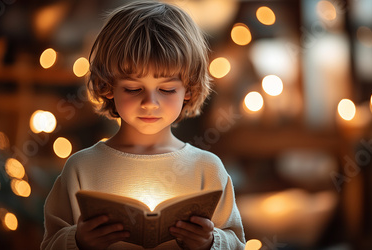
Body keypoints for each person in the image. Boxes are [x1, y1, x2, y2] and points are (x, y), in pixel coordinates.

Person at [41, 1, 245, 249]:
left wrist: (210, 242)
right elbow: (50, 243)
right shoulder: (80, 169)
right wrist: (78, 241)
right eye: (133, 88)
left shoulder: (207, 170)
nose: (150, 103)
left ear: (189, 89)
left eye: (167, 89)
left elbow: (236, 243)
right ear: (108, 86)